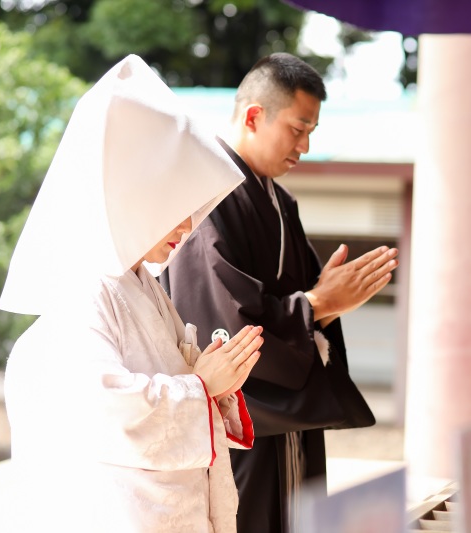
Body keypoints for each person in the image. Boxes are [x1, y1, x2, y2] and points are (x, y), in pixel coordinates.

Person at [0, 54, 263, 533]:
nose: (187, 227)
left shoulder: (139, 283)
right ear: (131, 198)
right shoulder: (85, 288)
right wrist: (202, 386)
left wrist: (213, 383)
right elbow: (106, 409)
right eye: (174, 206)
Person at [160, 53, 400, 532]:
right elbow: (222, 327)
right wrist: (318, 304)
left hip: (283, 419)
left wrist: (326, 306)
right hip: (243, 422)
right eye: (297, 128)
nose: (305, 146)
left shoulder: (277, 199)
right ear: (254, 116)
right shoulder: (209, 196)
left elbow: (302, 305)